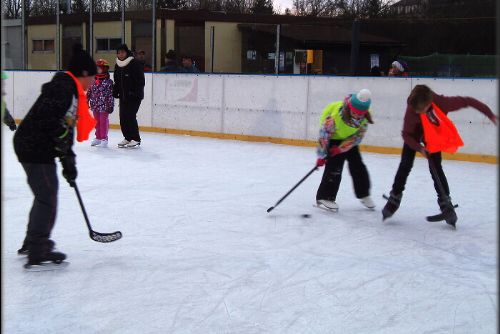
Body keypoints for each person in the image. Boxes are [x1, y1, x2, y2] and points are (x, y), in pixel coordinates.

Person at [13, 44, 97, 269]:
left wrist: (68, 160)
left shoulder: (71, 91)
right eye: (93, 77)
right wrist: (61, 143)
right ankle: (38, 247)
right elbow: (47, 120)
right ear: (85, 74)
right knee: (47, 196)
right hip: (33, 147)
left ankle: (32, 242)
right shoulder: (63, 89)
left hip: (37, 147)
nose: (93, 83)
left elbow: (64, 129)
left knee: (44, 194)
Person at [382, 84, 498, 226]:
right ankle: (394, 197)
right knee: (405, 164)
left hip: (432, 136)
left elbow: (468, 101)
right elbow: (406, 134)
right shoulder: (411, 110)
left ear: (429, 102)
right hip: (413, 136)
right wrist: (419, 148)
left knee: (436, 167)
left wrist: (489, 113)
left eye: (422, 110)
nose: (419, 112)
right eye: (417, 110)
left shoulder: (442, 103)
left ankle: (445, 202)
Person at [315, 89, 375, 211]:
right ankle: (325, 197)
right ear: (350, 108)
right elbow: (324, 136)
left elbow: (357, 137)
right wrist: (321, 156)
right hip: (332, 136)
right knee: (335, 166)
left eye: (361, 113)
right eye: (355, 112)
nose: (358, 115)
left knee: (358, 164)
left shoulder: (365, 118)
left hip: (349, 139)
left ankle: (364, 194)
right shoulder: (335, 117)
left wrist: (341, 149)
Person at [113, 44, 145, 148]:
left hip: (134, 96)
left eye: (122, 52)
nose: (120, 54)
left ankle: (135, 138)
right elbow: (117, 80)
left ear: (126, 53)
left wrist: (135, 93)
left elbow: (141, 80)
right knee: (123, 117)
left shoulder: (134, 63)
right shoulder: (118, 65)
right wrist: (115, 91)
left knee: (130, 116)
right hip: (123, 96)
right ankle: (127, 137)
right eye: (118, 52)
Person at [87, 59, 114, 147]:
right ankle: (98, 137)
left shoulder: (109, 82)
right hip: (95, 105)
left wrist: (110, 105)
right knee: (96, 122)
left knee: (103, 122)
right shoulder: (93, 80)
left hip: (105, 106)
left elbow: (110, 95)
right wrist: (87, 101)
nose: (99, 69)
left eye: (101, 68)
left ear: (105, 69)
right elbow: (89, 92)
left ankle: (104, 138)